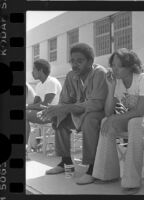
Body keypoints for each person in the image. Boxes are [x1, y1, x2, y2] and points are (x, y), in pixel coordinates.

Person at [41, 43, 108, 185]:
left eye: (80, 61)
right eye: (72, 61)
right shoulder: (71, 76)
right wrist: (54, 109)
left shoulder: (99, 73)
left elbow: (97, 104)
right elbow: (65, 100)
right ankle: (66, 162)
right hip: (80, 113)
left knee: (90, 118)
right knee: (58, 115)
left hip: (101, 113)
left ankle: (92, 168)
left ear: (90, 61)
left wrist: (66, 108)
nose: (75, 64)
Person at [92, 48, 144, 189]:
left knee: (135, 123)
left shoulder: (143, 79)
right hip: (131, 119)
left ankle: (132, 182)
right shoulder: (117, 82)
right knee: (106, 121)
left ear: (130, 66)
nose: (114, 69)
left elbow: (140, 111)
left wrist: (113, 118)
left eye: (120, 65)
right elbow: (108, 112)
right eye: (113, 65)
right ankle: (107, 175)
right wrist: (111, 89)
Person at [26, 59, 62, 149]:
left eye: (34, 69)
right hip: (45, 113)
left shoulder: (51, 82)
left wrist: (27, 106)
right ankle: (25, 148)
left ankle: (25, 148)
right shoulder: (39, 85)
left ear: (40, 70)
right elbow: (36, 104)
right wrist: (28, 107)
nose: (32, 72)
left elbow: (45, 104)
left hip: (55, 114)